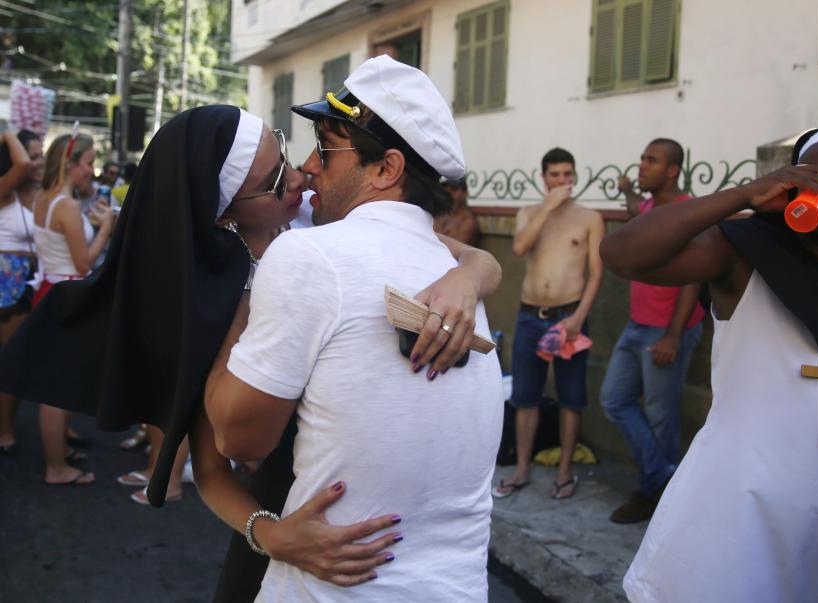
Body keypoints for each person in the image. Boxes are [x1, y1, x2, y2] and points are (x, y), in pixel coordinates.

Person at [0, 103, 500, 596]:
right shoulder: (214, 300)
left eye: (289, 156)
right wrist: (270, 534)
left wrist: (468, 277)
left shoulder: (310, 221)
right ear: (226, 214)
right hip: (295, 515)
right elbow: (217, 462)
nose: (300, 176)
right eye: (275, 180)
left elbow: (467, 254)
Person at [205, 55, 504, 601]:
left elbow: (238, 438)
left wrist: (247, 285)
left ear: (386, 169)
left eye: (325, 148)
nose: (309, 168)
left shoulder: (311, 256)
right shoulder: (451, 270)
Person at [601, 126, 818, 602]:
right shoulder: (744, 257)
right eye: (809, 179)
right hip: (726, 526)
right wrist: (744, 193)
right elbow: (622, 255)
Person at [601, 139, 704, 523]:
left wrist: (673, 336)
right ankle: (663, 478)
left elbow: (692, 279)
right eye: (642, 158)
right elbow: (635, 214)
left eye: (651, 161)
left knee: (662, 415)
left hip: (665, 330)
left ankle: (652, 493)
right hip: (636, 326)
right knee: (614, 399)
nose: (642, 165)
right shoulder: (648, 207)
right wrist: (628, 191)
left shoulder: (686, 212)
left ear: (672, 170)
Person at [494, 147, 604, 500]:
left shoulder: (589, 218)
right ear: (544, 178)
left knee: (572, 399)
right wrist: (548, 208)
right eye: (555, 175)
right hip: (530, 317)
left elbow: (596, 272)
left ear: (574, 176)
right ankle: (523, 469)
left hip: (569, 317)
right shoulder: (528, 212)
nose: (562, 181)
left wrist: (578, 318)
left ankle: (565, 472)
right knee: (526, 398)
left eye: (567, 174)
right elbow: (521, 247)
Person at [31, 132, 114, 485]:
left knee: (54, 382)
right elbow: (83, 263)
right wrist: (106, 228)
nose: (92, 171)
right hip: (67, 291)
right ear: (70, 163)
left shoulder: (44, 199)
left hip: (51, 288)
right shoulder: (65, 205)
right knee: (56, 389)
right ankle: (56, 468)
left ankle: (59, 454)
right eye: (89, 162)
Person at [0, 127, 36, 454]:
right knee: (8, 361)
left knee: (11, 360)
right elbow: (23, 165)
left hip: (18, 281)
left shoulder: (18, 196)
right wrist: (8, 133)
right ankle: (5, 430)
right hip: (4, 282)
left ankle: (5, 428)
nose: (33, 162)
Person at [434, 177, 479, 246]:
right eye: (445, 189)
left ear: (465, 193)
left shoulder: (467, 222)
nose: (448, 193)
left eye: (453, 189)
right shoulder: (440, 215)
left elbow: (455, 250)